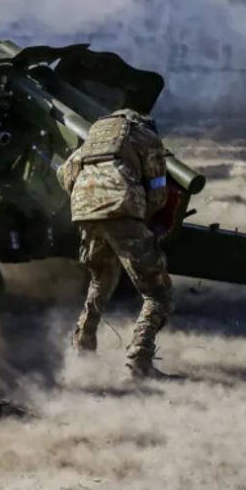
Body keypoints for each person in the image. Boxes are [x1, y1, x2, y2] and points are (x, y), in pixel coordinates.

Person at [57, 107, 174, 378]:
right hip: (122, 209)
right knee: (158, 293)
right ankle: (139, 359)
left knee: (101, 280)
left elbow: (65, 173)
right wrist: (142, 219)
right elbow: (158, 192)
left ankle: (82, 350)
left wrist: (86, 199)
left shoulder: (95, 138)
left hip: (85, 211)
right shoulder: (147, 137)